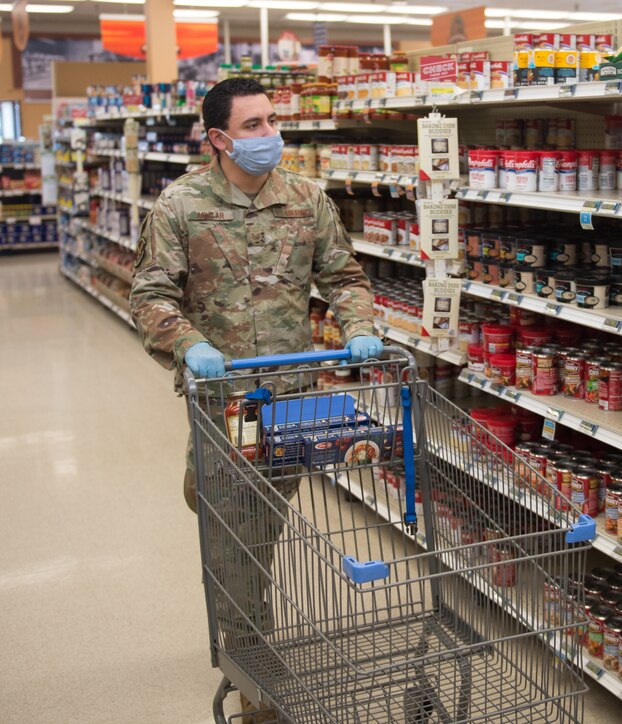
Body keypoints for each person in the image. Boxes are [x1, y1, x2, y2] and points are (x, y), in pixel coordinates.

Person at [129, 77, 383, 722]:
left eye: (273, 122)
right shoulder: (181, 206)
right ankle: (254, 680)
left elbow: (343, 275)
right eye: (254, 126)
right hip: (226, 405)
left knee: (258, 527)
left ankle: (214, 509)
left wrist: (358, 324)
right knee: (240, 540)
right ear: (218, 139)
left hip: (293, 399)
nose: (271, 136)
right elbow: (150, 295)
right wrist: (188, 343)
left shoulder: (306, 197)